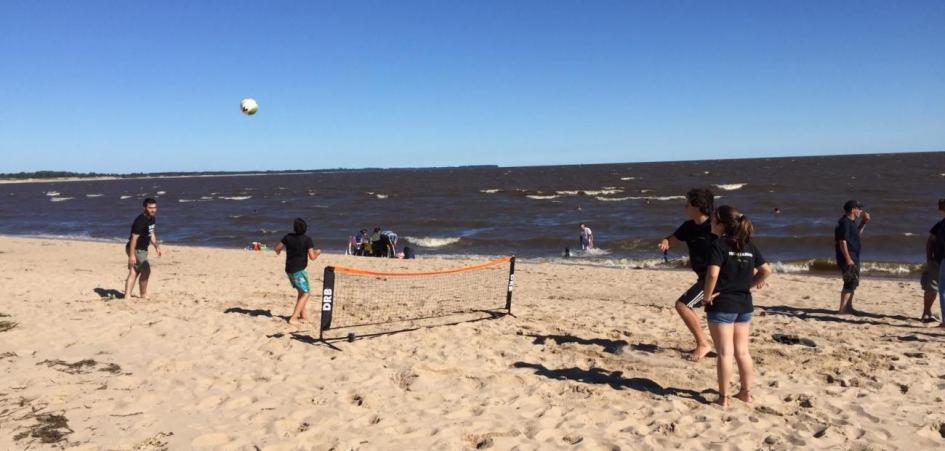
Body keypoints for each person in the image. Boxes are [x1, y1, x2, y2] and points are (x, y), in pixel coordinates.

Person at [703, 205, 772, 408]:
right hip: (744, 305)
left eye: (714, 220)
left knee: (725, 353)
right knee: (742, 352)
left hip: (723, 304)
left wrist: (707, 296)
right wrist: (745, 285)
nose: (711, 223)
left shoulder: (719, 245)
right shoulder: (749, 246)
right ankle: (746, 393)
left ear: (723, 224)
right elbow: (766, 271)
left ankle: (723, 398)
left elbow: (712, 274)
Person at [658, 188, 716, 361]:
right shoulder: (689, 227)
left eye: (688, 203)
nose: (685, 206)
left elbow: (736, 245)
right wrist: (666, 241)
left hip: (715, 278)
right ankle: (722, 348)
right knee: (717, 314)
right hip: (704, 277)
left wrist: (752, 270)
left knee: (682, 305)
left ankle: (704, 344)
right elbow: (673, 239)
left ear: (697, 206)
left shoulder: (716, 225)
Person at [274, 218, 321, 326]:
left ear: (294, 228)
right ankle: (293, 318)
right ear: (305, 229)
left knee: (301, 291)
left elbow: (277, 248)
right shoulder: (307, 240)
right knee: (306, 293)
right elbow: (312, 256)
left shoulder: (288, 237)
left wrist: (278, 251)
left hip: (289, 269)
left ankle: (302, 315)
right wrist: (318, 252)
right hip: (298, 271)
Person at [834, 200, 871, 314]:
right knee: (849, 283)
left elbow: (857, 235)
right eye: (858, 208)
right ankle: (842, 309)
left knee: (853, 283)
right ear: (853, 210)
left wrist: (864, 222)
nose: (860, 211)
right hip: (848, 258)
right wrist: (848, 258)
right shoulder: (845, 222)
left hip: (854, 256)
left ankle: (848, 307)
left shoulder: (852, 222)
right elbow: (842, 242)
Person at [124, 197, 162, 299]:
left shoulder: (152, 218)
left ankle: (127, 295)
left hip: (143, 249)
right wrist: (132, 255)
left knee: (134, 271)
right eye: (150, 208)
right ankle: (143, 294)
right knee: (146, 270)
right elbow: (133, 238)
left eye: (154, 207)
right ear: (144, 208)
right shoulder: (140, 221)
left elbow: (151, 233)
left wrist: (156, 247)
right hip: (136, 249)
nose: (153, 210)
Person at [924, 198, 945, 324]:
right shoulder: (940, 224)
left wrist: (929, 259)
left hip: (940, 259)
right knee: (934, 288)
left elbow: (930, 242)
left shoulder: (941, 225)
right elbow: (930, 242)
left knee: (940, 289)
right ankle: (926, 312)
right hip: (938, 259)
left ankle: (928, 313)